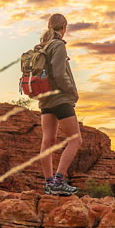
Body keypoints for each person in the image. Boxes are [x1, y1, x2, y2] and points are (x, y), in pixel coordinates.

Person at [33, 13, 82, 196]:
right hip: (61, 99)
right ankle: (59, 180)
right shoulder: (58, 45)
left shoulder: (42, 46)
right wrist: (71, 91)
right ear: (64, 28)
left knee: (48, 140)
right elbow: (60, 74)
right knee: (75, 140)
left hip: (45, 99)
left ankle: (48, 183)